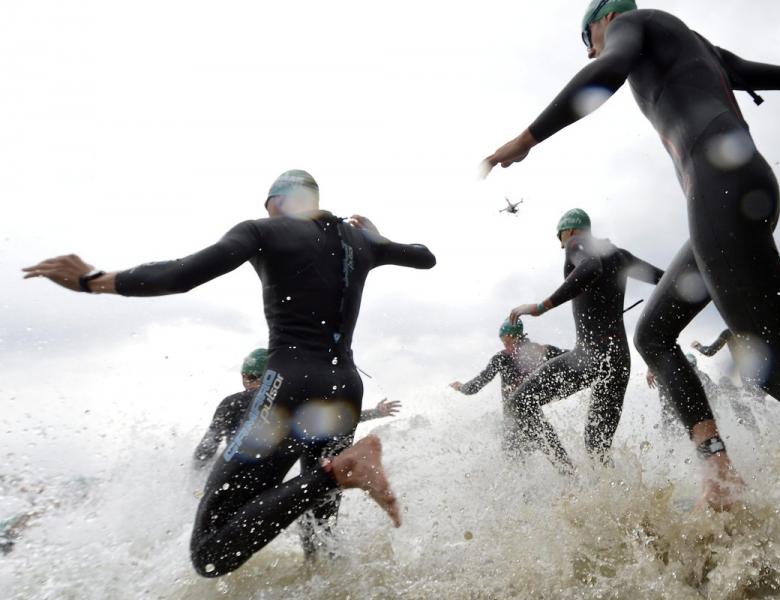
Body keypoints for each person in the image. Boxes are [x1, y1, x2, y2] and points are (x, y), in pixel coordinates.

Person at [483, 1, 780, 533]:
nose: (591, 48)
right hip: (740, 186)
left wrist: (530, 137)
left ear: (603, 20)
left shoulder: (632, 23)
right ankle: (717, 469)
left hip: (717, 185)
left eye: (588, 38)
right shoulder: (696, 46)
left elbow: (606, 68)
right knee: (653, 333)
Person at [22, 169, 434, 576]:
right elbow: (424, 256)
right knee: (320, 535)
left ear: (277, 203)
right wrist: (377, 239)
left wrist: (94, 281)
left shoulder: (264, 230)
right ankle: (338, 492)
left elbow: (181, 274)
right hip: (345, 388)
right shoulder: (359, 241)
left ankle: (340, 471)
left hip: (290, 387)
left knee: (209, 552)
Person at [503, 209, 663, 471]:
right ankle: (623, 501)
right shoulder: (620, 254)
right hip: (618, 360)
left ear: (570, 231)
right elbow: (664, 279)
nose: (561, 244)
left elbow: (591, 267)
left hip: (591, 355)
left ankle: (568, 474)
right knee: (597, 449)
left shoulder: (578, 242)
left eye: (560, 237)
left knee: (518, 404)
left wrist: (541, 306)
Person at [194, 348, 401, 470]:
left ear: (244, 376)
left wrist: (200, 476)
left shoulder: (230, 403)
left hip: (234, 475)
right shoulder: (290, 402)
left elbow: (205, 450)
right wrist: (376, 412)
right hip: (272, 484)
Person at [449, 319, 567, 453]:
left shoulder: (502, 357)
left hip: (513, 420)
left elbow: (477, 384)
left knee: (513, 466)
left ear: (514, 336)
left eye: (506, 340)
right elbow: (575, 357)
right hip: (535, 416)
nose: (504, 345)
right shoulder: (541, 350)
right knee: (556, 454)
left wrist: (461, 387)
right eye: (503, 341)